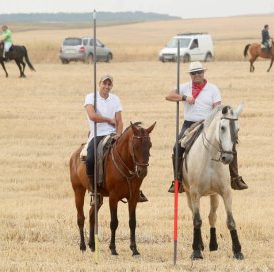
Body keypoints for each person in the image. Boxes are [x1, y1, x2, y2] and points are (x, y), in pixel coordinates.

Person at [165, 61, 248, 193]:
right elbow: (169, 96)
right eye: (194, 73)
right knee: (177, 147)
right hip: (190, 124)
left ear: (204, 73)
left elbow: (217, 108)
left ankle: (235, 178)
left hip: (208, 123)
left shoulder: (213, 89)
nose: (197, 75)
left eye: (199, 72)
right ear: (190, 75)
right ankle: (178, 180)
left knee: (230, 145)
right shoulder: (185, 87)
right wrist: (185, 97)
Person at [84, 74, 148, 203]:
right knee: (91, 158)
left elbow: (120, 121)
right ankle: (94, 189)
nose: (106, 86)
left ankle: (135, 188)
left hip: (113, 134)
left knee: (132, 154)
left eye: (109, 84)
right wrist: (108, 119)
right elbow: (92, 116)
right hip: (97, 135)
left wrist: (119, 134)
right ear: (99, 84)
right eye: (104, 83)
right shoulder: (91, 97)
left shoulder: (115, 99)